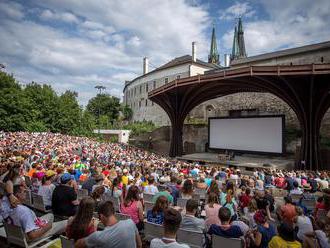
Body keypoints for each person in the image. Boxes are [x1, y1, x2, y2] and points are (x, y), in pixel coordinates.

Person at [75, 201, 142, 248]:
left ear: (101, 216)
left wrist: (93, 227)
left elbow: (77, 245)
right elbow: (139, 245)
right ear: (114, 212)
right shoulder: (130, 223)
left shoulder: (98, 236)